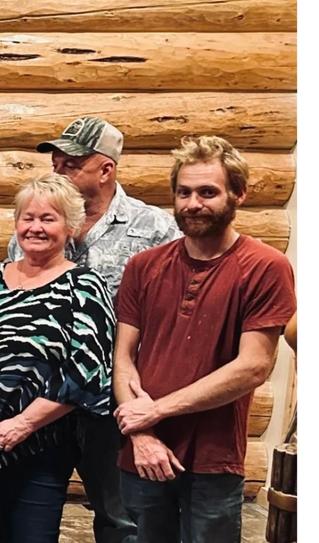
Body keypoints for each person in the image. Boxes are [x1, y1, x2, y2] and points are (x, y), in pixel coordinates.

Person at [113, 136, 296, 543]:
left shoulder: (266, 267)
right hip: (142, 454)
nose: (193, 203)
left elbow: (252, 367)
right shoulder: (144, 266)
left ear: (239, 195)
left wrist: (154, 412)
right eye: (184, 192)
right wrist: (141, 435)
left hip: (213, 460)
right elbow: (123, 358)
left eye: (208, 192)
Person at [8, 116, 179, 543]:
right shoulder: (36, 226)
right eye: (56, 161)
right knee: (32, 512)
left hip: (112, 400)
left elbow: (172, 316)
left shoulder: (155, 229)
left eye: (71, 164)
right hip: (43, 400)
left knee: (119, 517)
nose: (58, 170)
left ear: (106, 169)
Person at [0, 174, 115, 543]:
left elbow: (87, 368)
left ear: (70, 227)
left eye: (48, 219)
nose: (35, 227)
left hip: (43, 445)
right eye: (27, 217)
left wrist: (22, 424)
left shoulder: (84, 286)